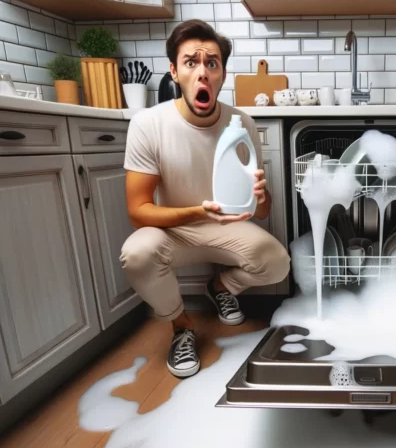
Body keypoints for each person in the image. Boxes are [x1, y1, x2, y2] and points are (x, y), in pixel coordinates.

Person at [119, 19, 290, 379]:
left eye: (211, 63)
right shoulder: (148, 124)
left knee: (277, 263)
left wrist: (259, 195)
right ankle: (181, 326)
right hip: (173, 231)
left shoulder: (240, 123)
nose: (202, 72)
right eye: (190, 62)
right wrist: (197, 211)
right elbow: (138, 211)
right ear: (174, 72)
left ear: (223, 73)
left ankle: (220, 287)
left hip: (225, 227)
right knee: (137, 252)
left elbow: (262, 210)